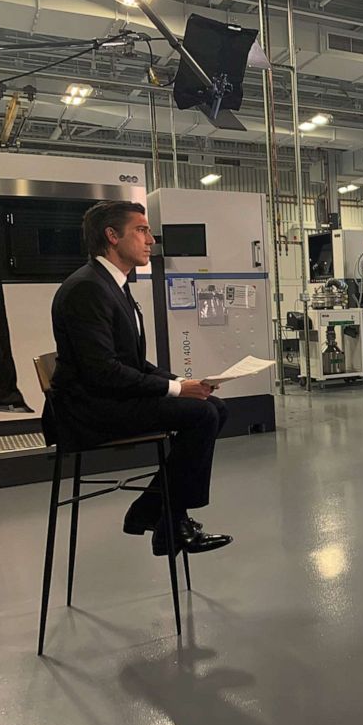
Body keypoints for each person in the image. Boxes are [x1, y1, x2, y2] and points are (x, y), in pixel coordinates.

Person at [43, 200, 232, 556]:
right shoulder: (87, 288)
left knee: (214, 407)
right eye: (141, 231)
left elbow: (133, 363)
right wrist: (176, 389)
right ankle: (169, 521)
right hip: (87, 411)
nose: (151, 241)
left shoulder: (112, 285)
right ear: (111, 236)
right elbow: (103, 371)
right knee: (203, 415)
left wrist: (186, 383)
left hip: (106, 398)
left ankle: (154, 512)